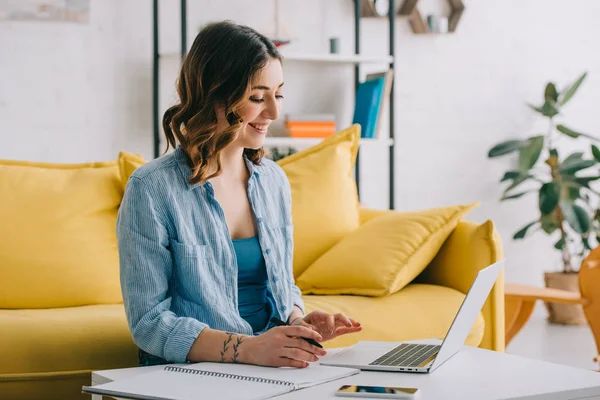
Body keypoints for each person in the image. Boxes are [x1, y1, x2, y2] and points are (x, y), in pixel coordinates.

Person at [116, 20, 362, 369]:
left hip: (268, 364)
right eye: (258, 98)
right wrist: (247, 349)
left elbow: (282, 284)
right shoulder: (152, 189)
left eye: (278, 95)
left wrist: (296, 322)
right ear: (214, 94)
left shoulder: (274, 181)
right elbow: (149, 323)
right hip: (194, 372)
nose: (274, 113)